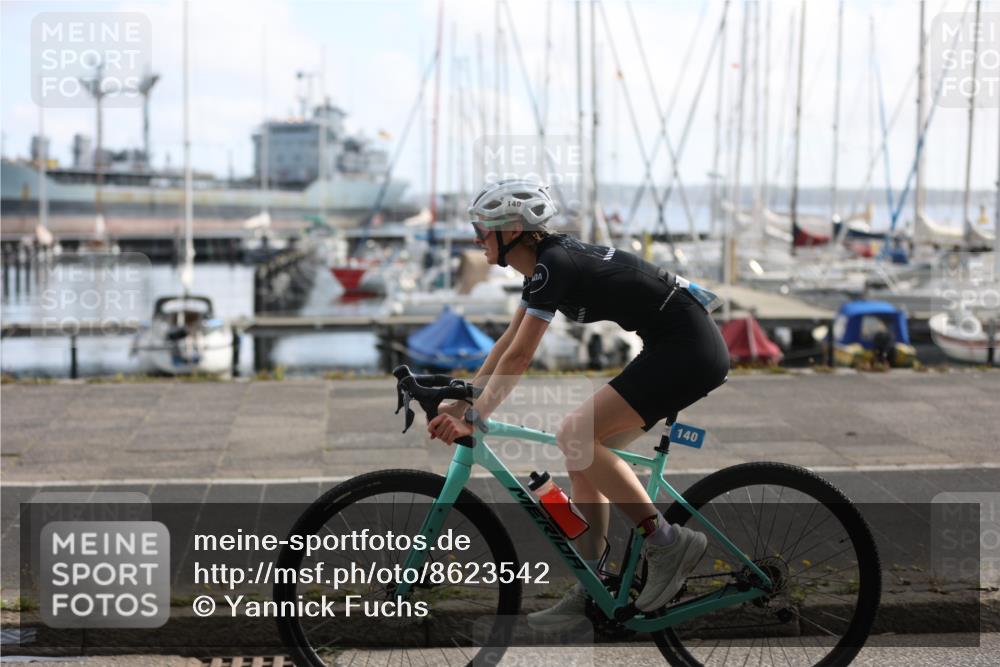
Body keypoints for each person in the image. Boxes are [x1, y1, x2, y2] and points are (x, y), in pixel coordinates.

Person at [427, 179, 730, 626]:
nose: (476, 239)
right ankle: (594, 585)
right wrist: (466, 398)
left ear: (512, 230)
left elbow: (522, 356)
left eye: (482, 230)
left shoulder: (554, 265)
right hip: (674, 345)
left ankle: (666, 542)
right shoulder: (543, 267)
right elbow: (507, 343)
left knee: (575, 434)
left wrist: (477, 416)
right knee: (581, 455)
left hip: (687, 350)